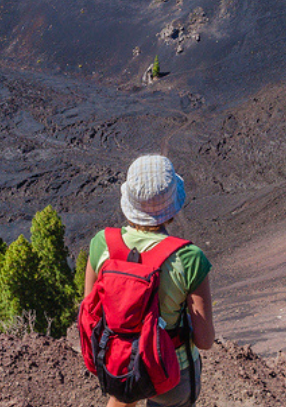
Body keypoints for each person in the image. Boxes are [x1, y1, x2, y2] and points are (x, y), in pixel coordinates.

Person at [83, 155, 214, 407]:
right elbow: (205, 341)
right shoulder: (189, 258)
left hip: (119, 363)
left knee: (122, 396)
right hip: (171, 371)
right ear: (172, 207)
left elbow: (91, 313)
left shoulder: (101, 244)